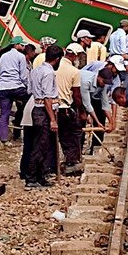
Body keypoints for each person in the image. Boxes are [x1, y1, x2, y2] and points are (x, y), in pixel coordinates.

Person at [26, 44, 63, 188]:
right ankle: (32, 178)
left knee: (43, 145)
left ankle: (40, 177)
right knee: (40, 146)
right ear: (58, 59)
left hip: (37, 108)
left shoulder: (36, 70)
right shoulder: (48, 73)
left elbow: (31, 89)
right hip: (44, 112)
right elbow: (48, 97)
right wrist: (53, 119)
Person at [55, 43, 85, 172]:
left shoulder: (54, 65)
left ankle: (51, 164)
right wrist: (82, 112)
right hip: (65, 107)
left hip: (50, 106)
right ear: (75, 56)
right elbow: (77, 95)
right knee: (70, 136)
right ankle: (71, 163)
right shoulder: (74, 71)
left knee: (53, 137)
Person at [0, 36, 30, 143]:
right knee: (29, 104)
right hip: (16, 87)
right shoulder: (21, 57)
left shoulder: (3, 56)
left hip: (3, 88)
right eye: (22, 45)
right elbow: (24, 76)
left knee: (4, 114)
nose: (24, 47)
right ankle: (26, 131)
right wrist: (27, 88)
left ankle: (4, 139)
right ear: (16, 45)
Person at [80, 67, 116, 136]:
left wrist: (111, 122)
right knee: (82, 120)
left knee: (99, 113)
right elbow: (87, 104)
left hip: (89, 96)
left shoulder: (103, 84)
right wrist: (97, 121)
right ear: (99, 76)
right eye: (103, 82)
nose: (104, 84)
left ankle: (95, 145)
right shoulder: (86, 82)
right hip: (77, 95)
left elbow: (105, 103)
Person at [109, 19, 128, 86]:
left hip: (112, 57)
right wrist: (126, 64)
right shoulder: (122, 35)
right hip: (119, 58)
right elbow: (123, 51)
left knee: (113, 76)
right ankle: (122, 92)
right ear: (125, 27)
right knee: (127, 76)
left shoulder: (113, 34)